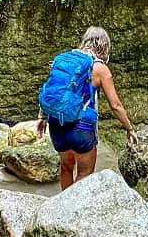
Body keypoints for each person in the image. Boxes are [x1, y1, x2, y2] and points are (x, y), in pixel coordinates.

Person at [36, 26, 139, 189]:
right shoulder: (100, 68)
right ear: (104, 45)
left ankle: (62, 209)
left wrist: (42, 117)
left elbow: (52, 89)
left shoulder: (63, 60)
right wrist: (129, 129)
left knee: (66, 167)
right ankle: (71, 210)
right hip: (81, 128)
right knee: (84, 175)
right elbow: (115, 105)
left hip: (56, 122)